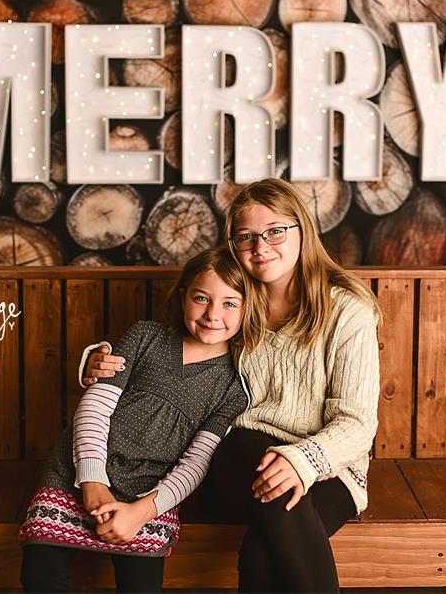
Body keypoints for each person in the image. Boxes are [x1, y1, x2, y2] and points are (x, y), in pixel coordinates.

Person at [82, 178, 381, 593]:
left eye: (275, 231)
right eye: (246, 237)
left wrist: (302, 460)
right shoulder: (237, 300)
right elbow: (173, 344)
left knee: (262, 551)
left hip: (331, 465)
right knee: (259, 465)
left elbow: (358, 422)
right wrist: (100, 360)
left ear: (302, 229)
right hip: (240, 457)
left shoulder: (347, 309)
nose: (261, 247)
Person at [19, 248, 252, 593]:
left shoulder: (234, 386)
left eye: (230, 303)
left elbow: (197, 461)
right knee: (41, 577)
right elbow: (95, 408)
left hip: (150, 492)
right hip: (78, 471)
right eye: (201, 298)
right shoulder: (145, 337)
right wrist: (93, 481)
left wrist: (143, 511)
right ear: (183, 295)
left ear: (249, 309)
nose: (212, 314)